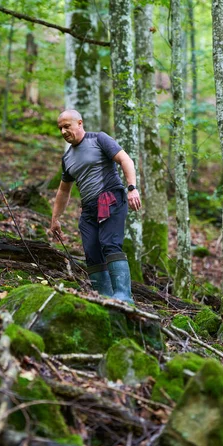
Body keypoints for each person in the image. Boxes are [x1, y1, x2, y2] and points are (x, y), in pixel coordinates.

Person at [50, 109, 141, 303]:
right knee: (91, 252)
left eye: (67, 126)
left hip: (111, 198)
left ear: (80, 123)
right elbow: (63, 191)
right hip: (89, 208)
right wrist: (55, 219)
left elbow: (125, 159)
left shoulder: (99, 139)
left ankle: (124, 297)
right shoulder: (67, 158)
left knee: (110, 243)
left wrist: (132, 187)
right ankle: (104, 298)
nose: (63, 132)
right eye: (60, 128)